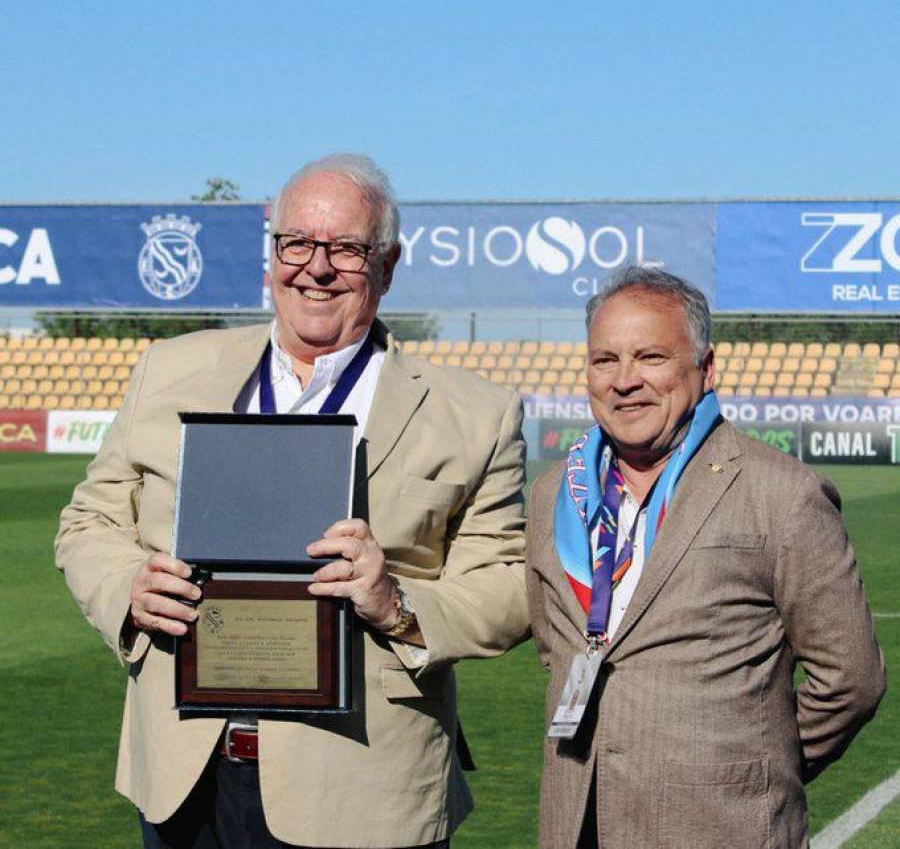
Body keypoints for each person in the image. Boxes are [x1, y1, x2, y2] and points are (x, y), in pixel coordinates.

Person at [55, 154, 529, 849]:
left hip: (365, 789)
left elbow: (513, 583)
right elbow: (88, 520)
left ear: (388, 266)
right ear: (273, 254)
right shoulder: (170, 370)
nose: (317, 266)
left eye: (345, 248)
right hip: (185, 779)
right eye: (297, 243)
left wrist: (398, 605)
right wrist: (127, 586)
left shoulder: (476, 415)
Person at [525, 266, 885, 849]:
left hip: (721, 823)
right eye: (604, 360)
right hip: (577, 823)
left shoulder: (783, 494)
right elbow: (557, 650)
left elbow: (851, 679)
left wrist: (759, 765)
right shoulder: (552, 496)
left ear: (706, 369)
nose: (624, 381)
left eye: (650, 357)